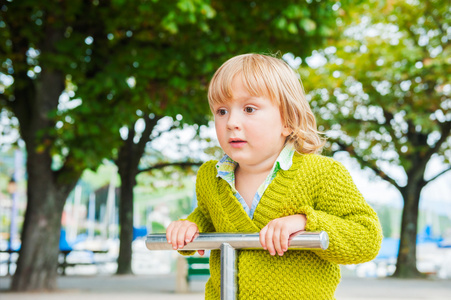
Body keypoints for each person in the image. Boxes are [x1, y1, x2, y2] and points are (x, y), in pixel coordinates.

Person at [166, 53, 382, 299]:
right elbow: (207, 215)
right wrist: (189, 227)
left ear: (288, 121)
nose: (231, 122)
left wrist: (305, 222)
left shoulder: (322, 173)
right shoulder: (210, 177)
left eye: (249, 109)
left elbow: (366, 238)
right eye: (221, 111)